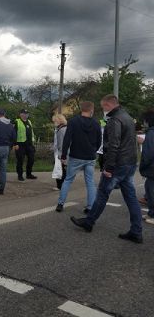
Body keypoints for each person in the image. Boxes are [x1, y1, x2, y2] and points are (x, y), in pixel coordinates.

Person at [71, 95, 143, 244]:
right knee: (131, 198)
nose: (103, 110)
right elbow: (130, 142)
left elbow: (113, 145)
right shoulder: (128, 118)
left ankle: (89, 222)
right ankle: (136, 231)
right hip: (130, 163)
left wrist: (109, 167)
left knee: (103, 193)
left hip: (117, 165)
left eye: (103, 107)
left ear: (109, 105)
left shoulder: (114, 121)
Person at [55, 102, 101, 213]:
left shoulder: (73, 121)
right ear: (91, 110)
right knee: (90, 182)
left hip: (76, 156)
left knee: (68, 180)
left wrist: (64, 155)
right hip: (90, 157)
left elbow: (67, 139)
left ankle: (60, 204)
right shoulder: (96, 123)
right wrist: (94, 151)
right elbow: (99, 141)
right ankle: (90, 207)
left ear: (81, 109)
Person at [138, 108, 154, 225]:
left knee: (151, 190)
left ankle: (153, 214)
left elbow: (148, 153)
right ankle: (151, 213)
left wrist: (142, 166)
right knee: (149, 188)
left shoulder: (151, 133)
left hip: (151, 168)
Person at [14, 109, 37, 181]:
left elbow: (32, 132)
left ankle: (29, 174)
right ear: (20, 114)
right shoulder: (17, 121)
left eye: (27, 114)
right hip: (20, 144)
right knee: (20, 160)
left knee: (31, 159)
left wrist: (33, 142)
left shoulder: (29, 122)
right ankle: (20, 175)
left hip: (29, 144)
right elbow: (13, 134)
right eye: (24, 113)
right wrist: (15, 144)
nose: (25, 115)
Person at [52, 114, 67, 191]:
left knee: (60, 169)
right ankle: (61, 185)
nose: (54, 122)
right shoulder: (63, 128)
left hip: (60, 152)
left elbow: (60, 143)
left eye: (55, 121)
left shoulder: (61, 130)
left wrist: (60, 156)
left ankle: (60, 186)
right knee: (62, 169)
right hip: (61, 152)